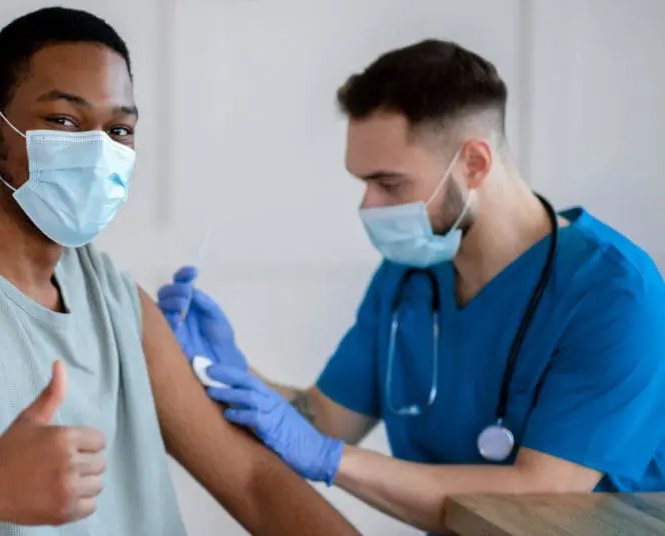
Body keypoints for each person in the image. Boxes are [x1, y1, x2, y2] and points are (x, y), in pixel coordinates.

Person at [0, 7, 359, 536]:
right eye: (65, 121)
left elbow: (253, 482)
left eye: (119, 130)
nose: (100, 151)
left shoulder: (109, 294)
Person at [157, 39, 665, 534]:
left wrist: (330, 461)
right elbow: (323, 420)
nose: (369, 207)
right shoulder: (409, 274)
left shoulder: (616, 293)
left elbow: (546, 494)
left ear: (475, 163)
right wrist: (225, 370)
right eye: (363, 183)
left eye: (390, 183)